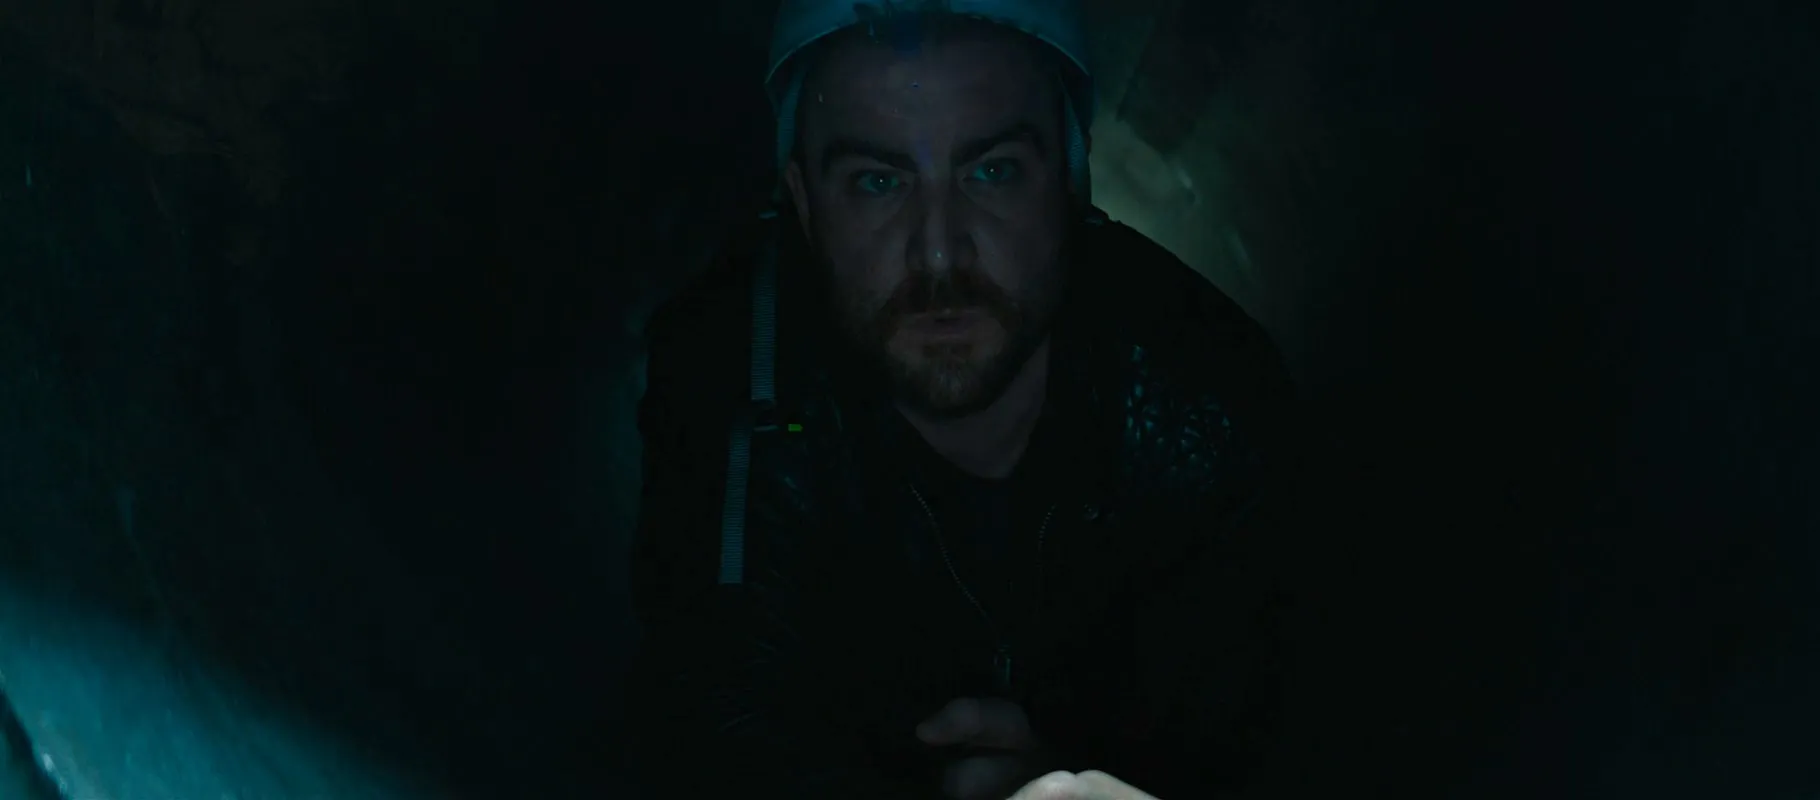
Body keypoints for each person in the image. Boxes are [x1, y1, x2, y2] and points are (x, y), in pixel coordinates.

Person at [627, 2, 1300, 797]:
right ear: (804, 205)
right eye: (878, 182)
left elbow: (1281, 738)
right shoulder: (725, 381)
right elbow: (712, 726)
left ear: (1071, 179)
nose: (940, 253)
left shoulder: (1207, 401)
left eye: (993, 171)